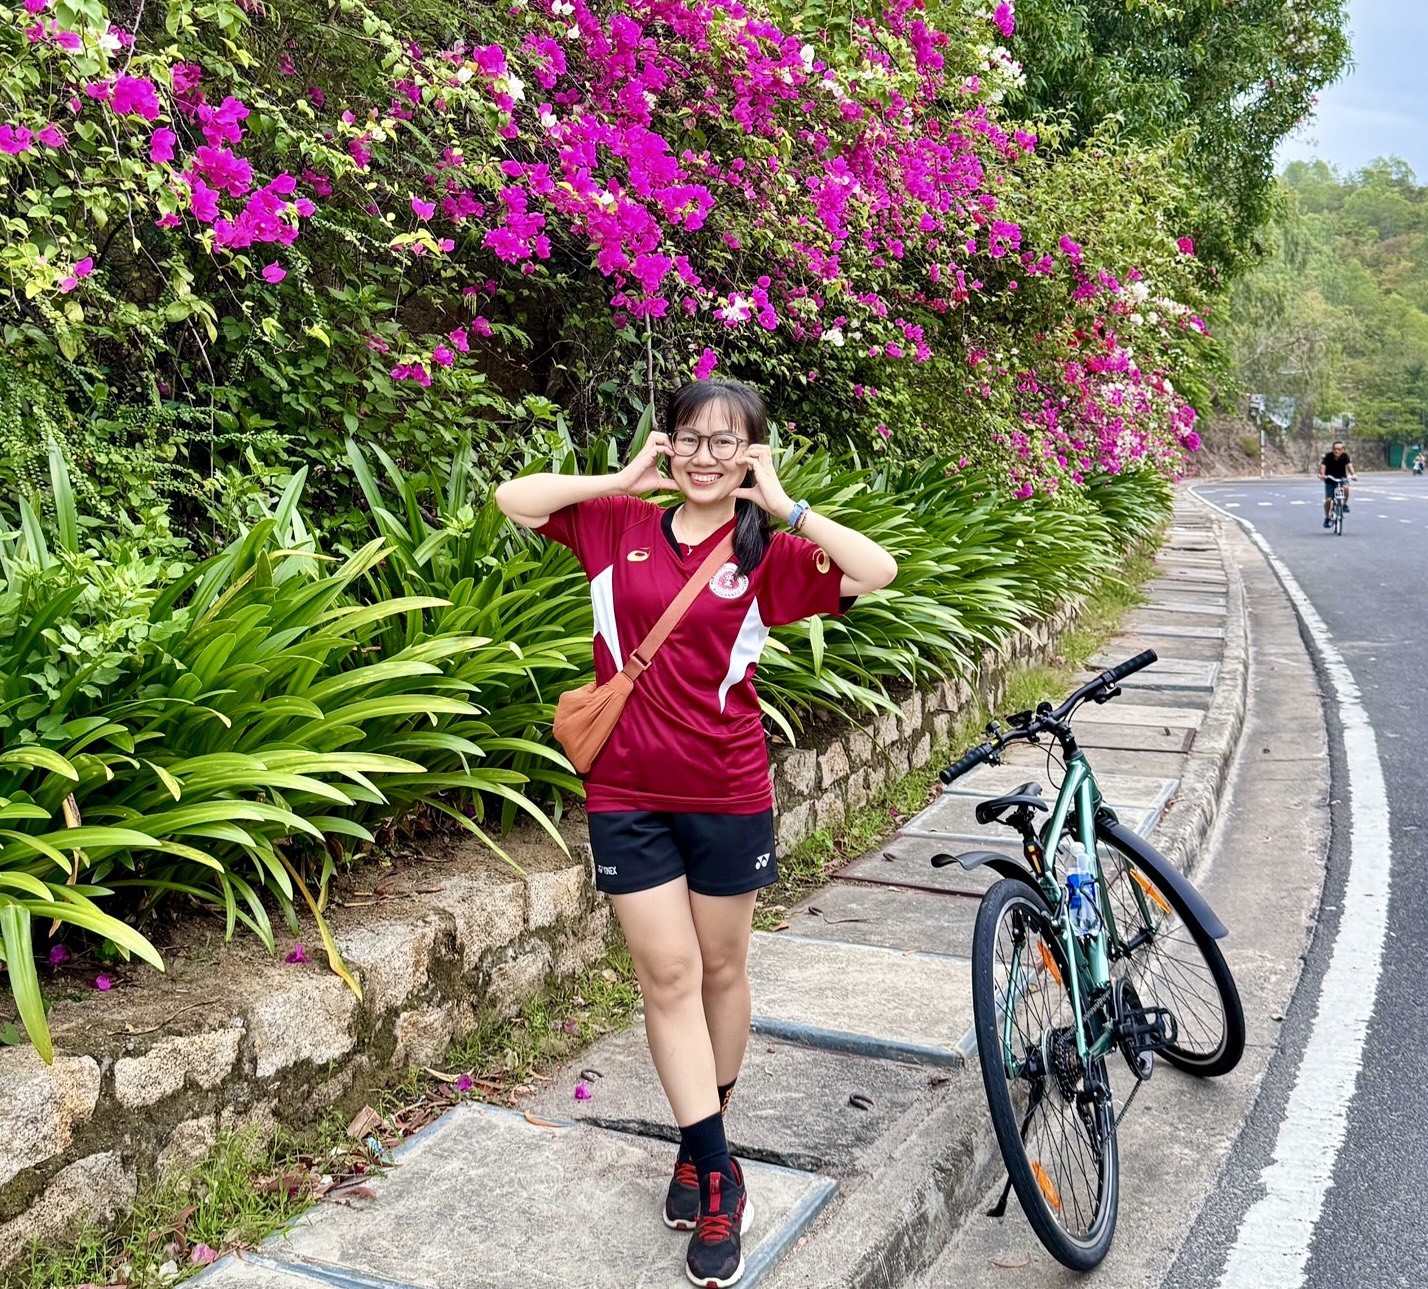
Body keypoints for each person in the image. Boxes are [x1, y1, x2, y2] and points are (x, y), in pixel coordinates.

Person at [495, 379, 898, 1287]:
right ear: (667, 444)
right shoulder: (610, 525)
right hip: (626, 791)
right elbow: (512, 499)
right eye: (689, 438)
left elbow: (876, 571)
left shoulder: (767, 552)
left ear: (753, 452)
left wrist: (786, 503)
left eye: (727, 443)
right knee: (667, 974)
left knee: (720, 969)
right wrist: (623, 475)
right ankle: (718, 1169)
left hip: (726, 791)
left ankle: (698, 1129)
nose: (706, 456)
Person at [1319, 440, 1356, 528]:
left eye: (1339, 449)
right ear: (1332, 449)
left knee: (1346, 488)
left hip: (1342, 478)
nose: (1337, 451)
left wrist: (1353, 475)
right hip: (1330, 479)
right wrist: (1323, 475)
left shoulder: (1345, 456)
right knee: (1328, 500)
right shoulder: (1328, 456)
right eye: (1335, 449)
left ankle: (1344, 505)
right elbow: (1323, 467)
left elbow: (1349, 466)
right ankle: (1327, 518)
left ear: (1342, 450)